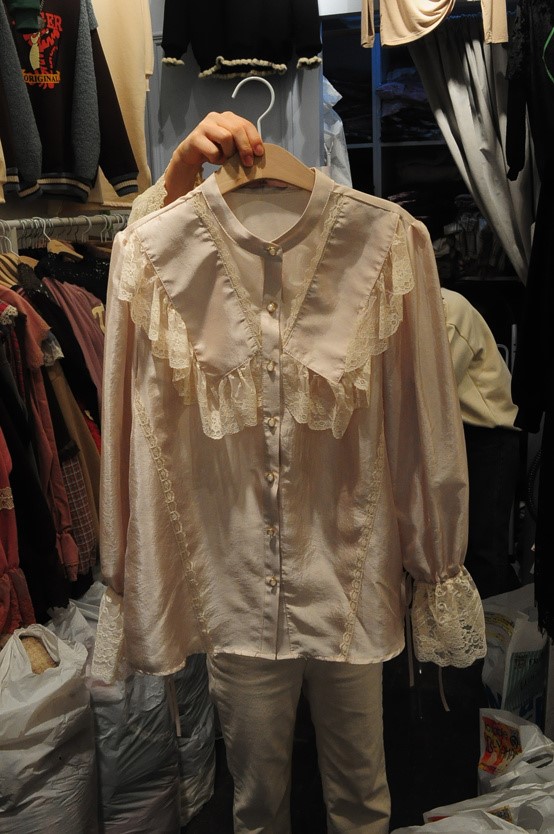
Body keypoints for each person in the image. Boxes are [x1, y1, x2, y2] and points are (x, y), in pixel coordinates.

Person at [94, 111, 486, 834]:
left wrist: (435, 558)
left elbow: (424, 420)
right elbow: (128, 425)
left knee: (362, 791)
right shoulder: (154, 253)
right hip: (234, 589)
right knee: (256, 802)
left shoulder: (388, 243)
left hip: (349, 582)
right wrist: (129, 566)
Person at [441, 287, 522, 599]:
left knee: (483, 547)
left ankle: (493, 619)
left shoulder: (448, 309)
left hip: (488, 434)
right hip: (455, 432)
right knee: (458, 548)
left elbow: (434, 388)